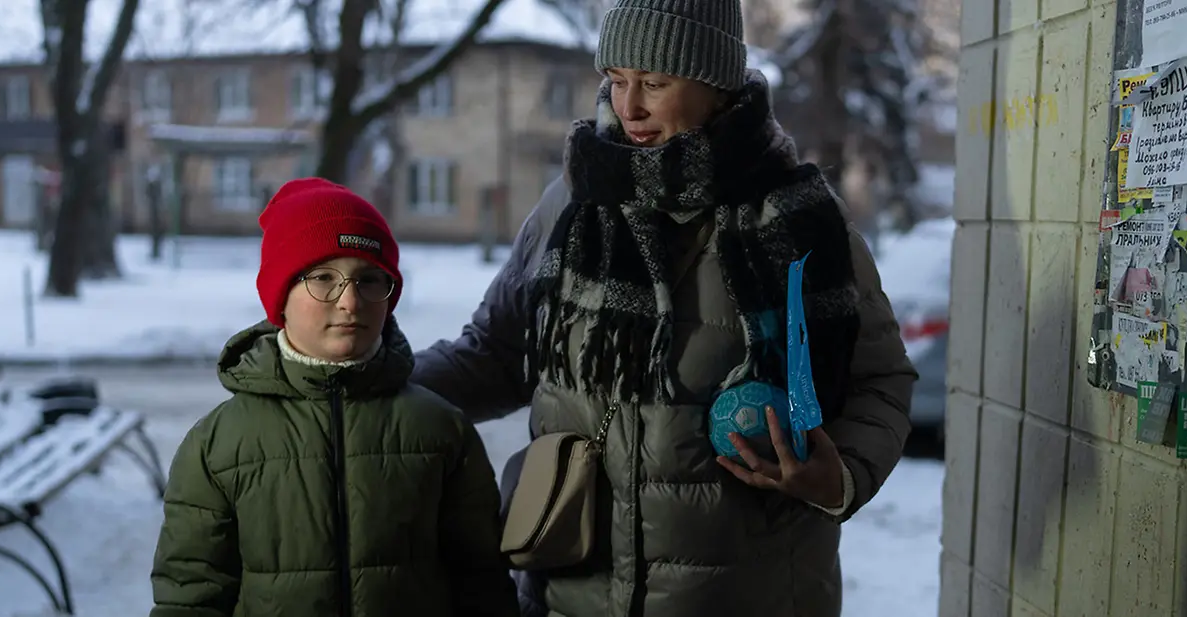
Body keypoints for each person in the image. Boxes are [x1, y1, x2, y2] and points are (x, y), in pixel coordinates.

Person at [411, 0, 918, 614]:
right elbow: (495, 353)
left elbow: (880, 378)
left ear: (716, 83)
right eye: (617, 81)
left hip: (751, 595)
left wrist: (838, 477)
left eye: (655, 83)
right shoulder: (572, 205)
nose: (630, 108)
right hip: (575, 595)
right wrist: (369, 379)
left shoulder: (799, 218)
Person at [149, 179, 519, 617]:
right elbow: (190, 597)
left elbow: (481, 586)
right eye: (323, 278)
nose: (349, 301)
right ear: (280, 297)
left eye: (369, 280)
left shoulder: (441, 430)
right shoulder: (218, 445)